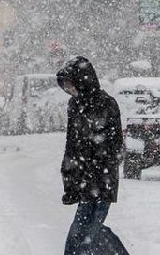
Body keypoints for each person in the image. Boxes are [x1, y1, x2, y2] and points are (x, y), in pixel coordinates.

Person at [57, 56, 129, 255]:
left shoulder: (107, 104)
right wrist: (70, 180)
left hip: (103, 181)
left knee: (89, 234)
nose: (70, 90)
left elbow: (116, 145)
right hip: (84, 181)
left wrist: (100, 163)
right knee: (81, 234)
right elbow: (71, 145)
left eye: (71, 85)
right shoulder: (74, 106)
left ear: (83, 80)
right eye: (66, 87)